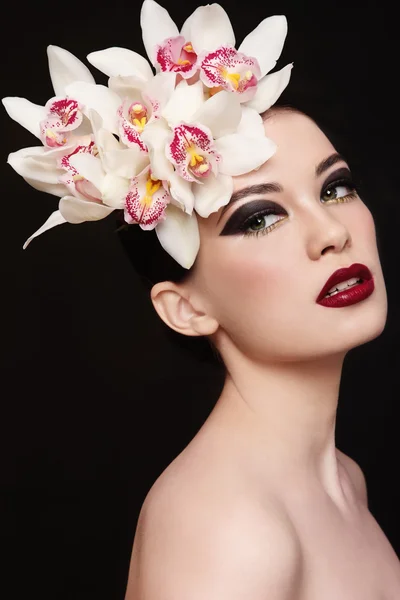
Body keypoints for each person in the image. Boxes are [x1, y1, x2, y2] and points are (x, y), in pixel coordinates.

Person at [3, 1, 399, 597]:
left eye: (335, 187)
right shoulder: (226, 528)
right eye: (262, 217)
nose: (333, 233)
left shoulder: (344, 482)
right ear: (185, 308)